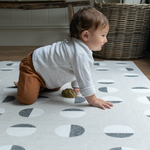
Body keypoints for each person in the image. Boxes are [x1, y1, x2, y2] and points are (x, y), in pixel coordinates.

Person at [14, 7, 113, 110]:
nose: (105, 40)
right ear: (85, 35)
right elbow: (84, 77)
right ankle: (24, 82)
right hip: (32, 66)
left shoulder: (81, 51)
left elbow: (78, 71)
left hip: (45, 71)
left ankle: (34, 84)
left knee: (55, 86)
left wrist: (76, 86)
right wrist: (93, 100)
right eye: (103, 35)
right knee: (27, 99)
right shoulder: (79, 53)